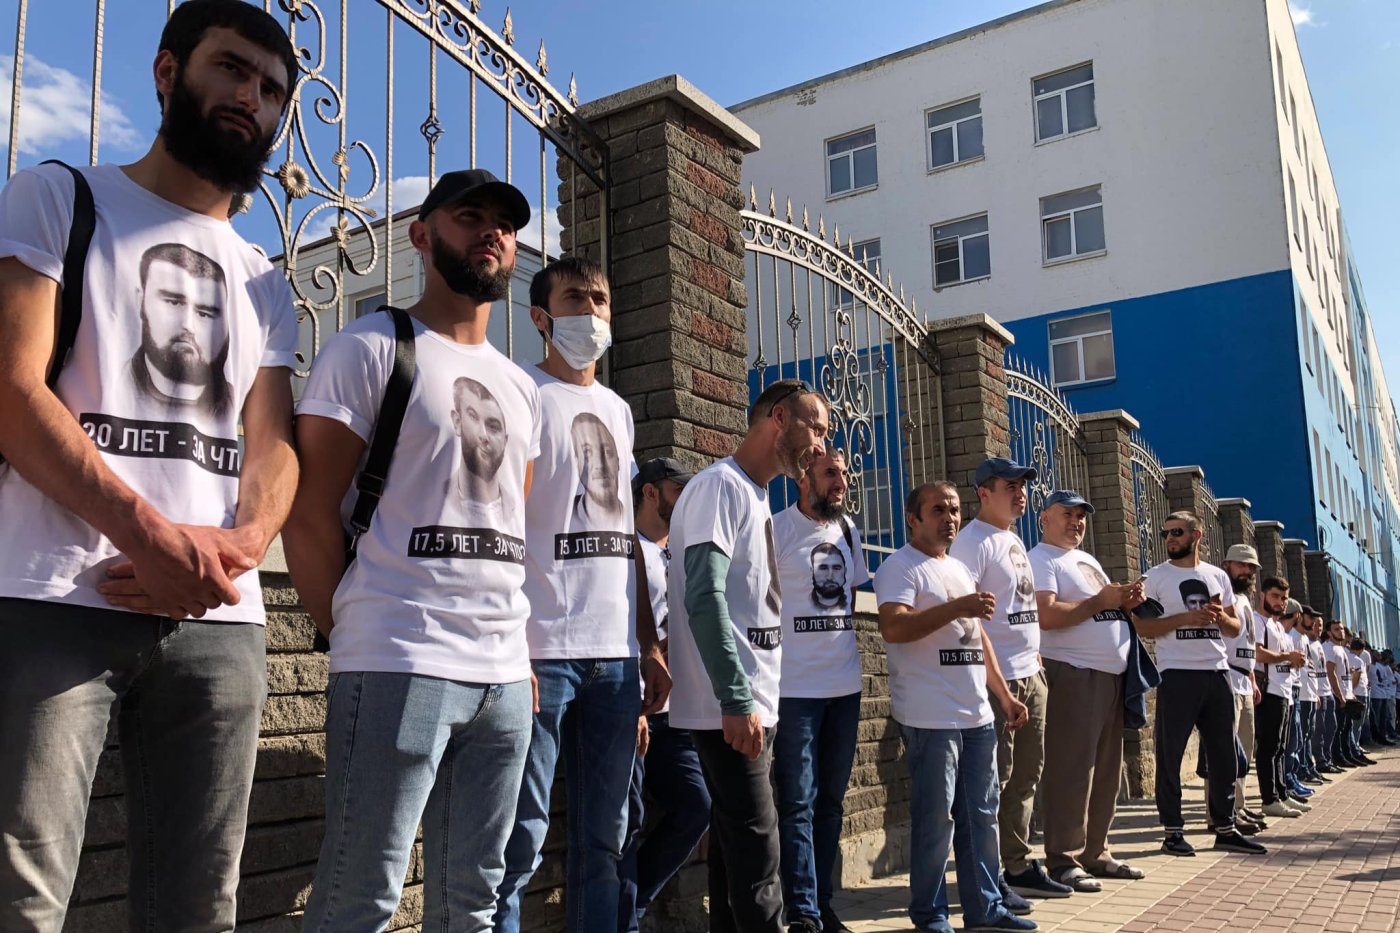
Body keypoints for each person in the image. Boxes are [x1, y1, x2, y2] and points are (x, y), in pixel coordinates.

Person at [0, 2, 299, 928]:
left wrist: (243, 541)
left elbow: (274, 441)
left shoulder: (263, 276)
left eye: (271, 89)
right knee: (24, 898)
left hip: (219, 614)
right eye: (231, 68)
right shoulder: (57, 197)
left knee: (200, 906)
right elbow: (12, 389)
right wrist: (150, 536)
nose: (251, 97)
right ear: (168, 72)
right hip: (56, 591)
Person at [287, 168, 538, 930]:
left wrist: (521, 657)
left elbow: (511, 530)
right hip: (399, 658)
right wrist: (353, 631)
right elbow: (308, 514)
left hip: (504, 678)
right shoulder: (370, 348)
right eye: (470, 216)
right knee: (361, 897)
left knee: (475, 904)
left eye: (505, 224)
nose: (492, 232)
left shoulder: (521, 388)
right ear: (421, 235)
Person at [494, 257, 670, 933]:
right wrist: (513, 646)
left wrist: (647, 646)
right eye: (576, 299)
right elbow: (505, 521)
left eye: (600, 299)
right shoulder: (522, 392)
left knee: (608, 840)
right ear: (541, 317)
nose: (592, 312)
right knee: (520, 836)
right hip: (541, 652)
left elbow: (626, 540)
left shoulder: (619, 411)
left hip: (616, 661)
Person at [666, 378, 829, 933]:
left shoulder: (755, 494)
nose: (820, 445)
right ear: (778, 417)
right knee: (760, 855)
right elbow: (702, 594)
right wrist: (736, 698)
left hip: (753, 702)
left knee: (737, 852)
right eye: (815, 428)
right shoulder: (720, 487)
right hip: (731, 707)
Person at [875, 481, 1036, 933]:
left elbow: (979, 638)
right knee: (936, 820)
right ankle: (930, 915)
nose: (950, 518)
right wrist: (957, 606)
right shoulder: (899, 567)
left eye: (954, 510)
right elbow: (894, 628)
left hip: (977, 715)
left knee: (982, 816)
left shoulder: (960, 569)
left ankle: (985, 908)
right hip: (931, 717)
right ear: (913, 519)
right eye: (938, 510)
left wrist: (1003, 696)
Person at [950, 458, 1067, 905]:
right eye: (1010, 486)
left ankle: (1017, 865)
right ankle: (988, 874)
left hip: (1030, 674)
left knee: (1026, 776)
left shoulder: (1013, 539)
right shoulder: (971, 543)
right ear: (984, 493)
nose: (1021, 494)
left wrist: (1034, 659)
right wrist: (997, 684)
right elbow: (968, 619)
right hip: (997, 682)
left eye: (1023, 486)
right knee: (992, 782)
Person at [1030, 490, 1146, 892]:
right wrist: (1101, 601)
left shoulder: (1087, 560)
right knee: (1071, 770)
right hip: (1073, 673)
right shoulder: (1041, 559)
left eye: (1081, 516)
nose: (1076, 522)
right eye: (1067, 514)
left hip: (1110, 675)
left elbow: (1101, 607)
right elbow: (1046, 615)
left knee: (1106, 772)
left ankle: (1096, 851)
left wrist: (1124, 602)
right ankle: (1063, 858)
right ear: (1045, 519)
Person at [771, 449, 867, 933]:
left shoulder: (848, 531)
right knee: (797, 802)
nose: (841, 482)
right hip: (794, 690)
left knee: (831, 802)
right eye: (831, 473)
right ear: (802, 478)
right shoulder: (776, 531)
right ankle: (803, 911)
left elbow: (852, 599)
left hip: (844, 688)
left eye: (844, 474)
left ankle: (822, 906)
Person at [618, 457, 710, 933]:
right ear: (650, 492)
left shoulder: (678, 551)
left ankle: (632, 906)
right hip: (634, 702)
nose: (686, 498)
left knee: (698, 807)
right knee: (625, 823)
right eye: (678, 488)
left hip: (675, 712)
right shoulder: (626, 547)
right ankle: (623, 922)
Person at [1137, 512, 1264, 856]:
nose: (1170, 538)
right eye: (1165, 533)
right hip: (1177, 674)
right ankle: (1173, 832)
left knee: (1224, 756)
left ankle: (1225, 828)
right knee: (1170, 756)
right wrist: (1185, 618)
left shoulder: (1216, 576)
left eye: (1177, 532)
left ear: (1197, 535)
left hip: (1217, 673)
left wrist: (1219, 616)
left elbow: (1234, 629)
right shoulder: (1155, 577)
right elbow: (1141, 627)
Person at [131, 242, 236, 417]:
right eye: (174, 303)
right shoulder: (107, 385)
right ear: (140, 301)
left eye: (204, 313)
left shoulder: (235, 404)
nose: (188, 325)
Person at [1218, 547, 1266, 833]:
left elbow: (1247, 645)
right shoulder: (1222, 597)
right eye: (1242, 565)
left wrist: (1252, 678)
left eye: (1251, 568)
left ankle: (1239, 805)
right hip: (1226, 677)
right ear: (1227, 565)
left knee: (1244, 751)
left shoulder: (1245, 600)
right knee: (1224, 751)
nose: (1247, 571)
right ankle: (1221, 813)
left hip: (1244, 680)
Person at [1252, 587, 1307, 820]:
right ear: (1263, 595)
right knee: (1269, 748)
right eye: (1276, 596)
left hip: (1284, 691)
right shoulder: (1257, 621)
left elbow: (1282, 658)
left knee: (1281, 747)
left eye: (1284, 598)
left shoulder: (1276, 626)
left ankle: (1281, 794)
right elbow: (1257, 654)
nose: (1281, 602)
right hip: (1269, 691)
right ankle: (1269, 799)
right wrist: (1288, 657)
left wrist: (1295, 661)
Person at [1303, 609, 1340, 776]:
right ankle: (1320, 761)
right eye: (1315, 624)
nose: (1318, 628)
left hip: (1327, 691)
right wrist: (1316, 692)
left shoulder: (1318, 644)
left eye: (1320, 625)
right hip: (1316, 692)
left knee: (1331, 727)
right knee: (1318, 731)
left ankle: (1327, 758)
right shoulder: (1306, 643)